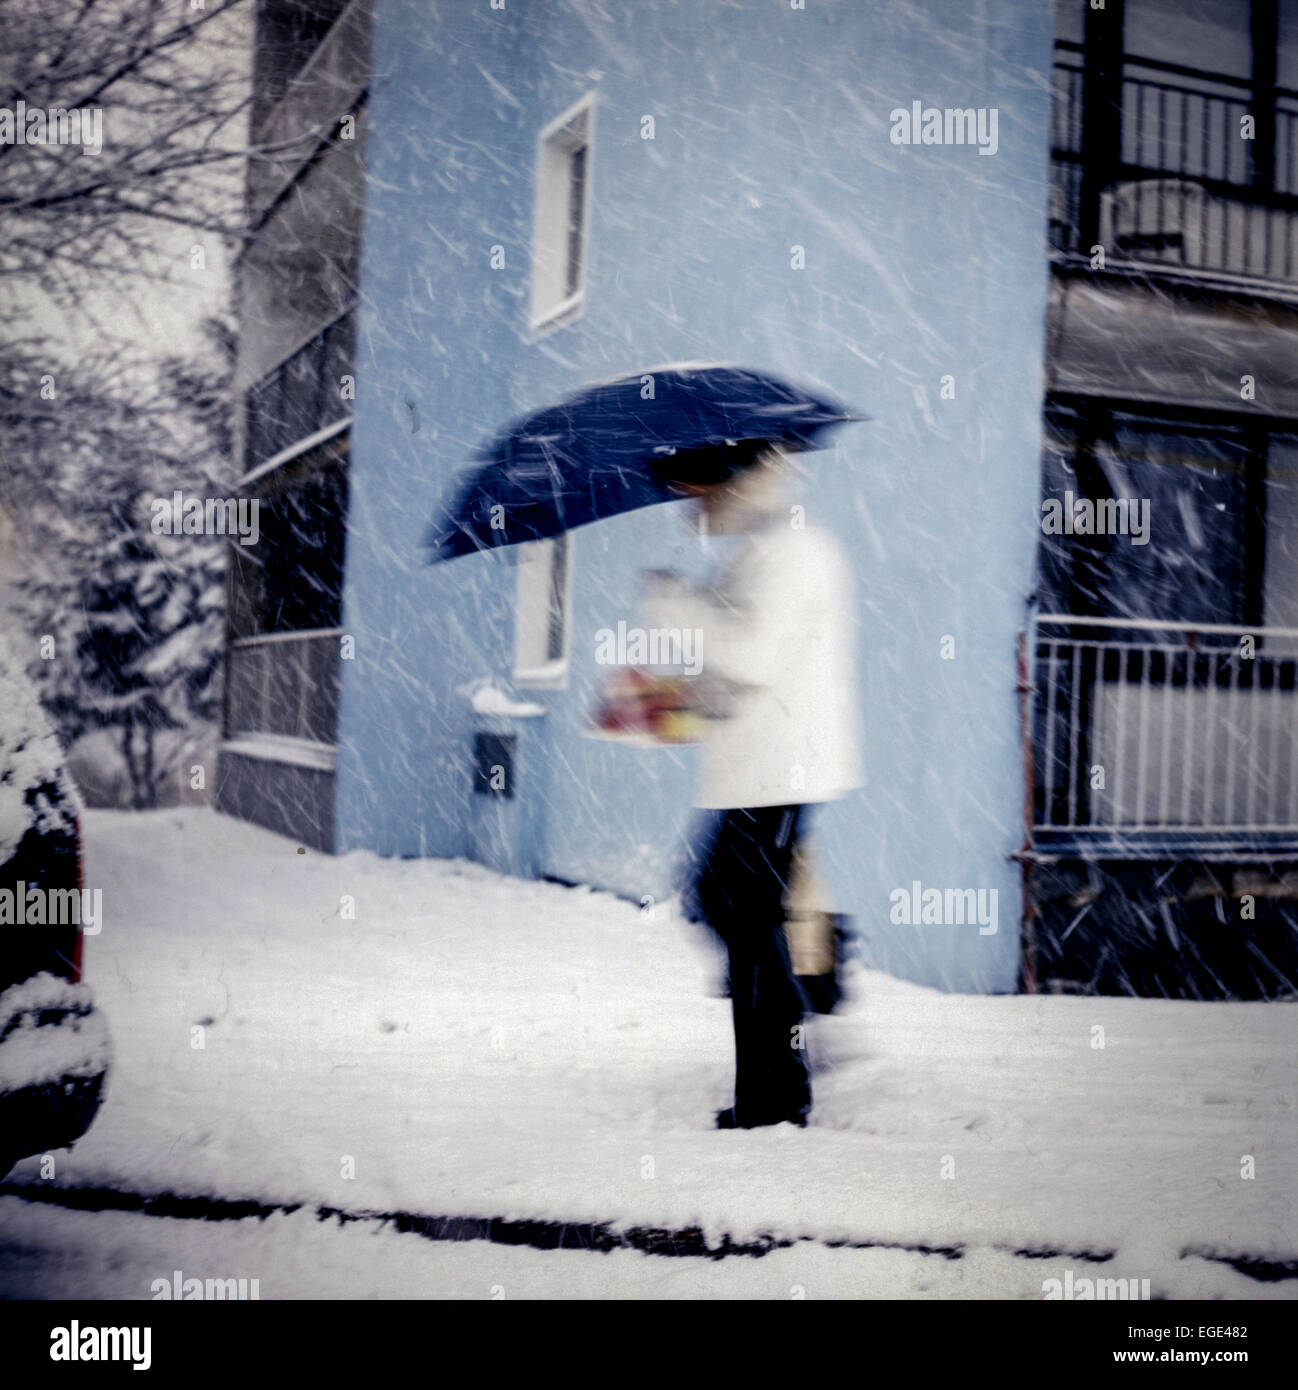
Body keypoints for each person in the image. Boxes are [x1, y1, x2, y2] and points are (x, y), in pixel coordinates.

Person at [642, 441, 863, 1128]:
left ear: (730, 475)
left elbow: (754, 654)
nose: (690, 504)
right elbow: (741, 666)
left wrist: (676, 605)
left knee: (738, 909)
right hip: (760, 765)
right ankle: (809, 993)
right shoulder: (764, 544)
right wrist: (677, 698)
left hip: (781, 767)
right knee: (735, 906)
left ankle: (776, 1093)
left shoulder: (793, 548)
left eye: (695, 487)